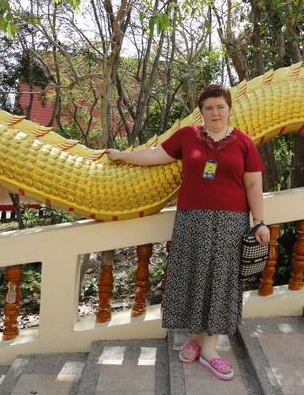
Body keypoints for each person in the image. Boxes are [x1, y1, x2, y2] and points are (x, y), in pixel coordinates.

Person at [107, 84, 270, 381]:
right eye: (209, 107)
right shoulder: (188, 136)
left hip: (230, 224)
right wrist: (122, 156)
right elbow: (155, 155)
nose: (215, 113)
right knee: (193, 276)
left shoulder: (243, 142)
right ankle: (195, 338)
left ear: (229, 109)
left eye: (220, 107)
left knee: (219, 281)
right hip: (191, 220)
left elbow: (253, 185)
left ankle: (210, 348)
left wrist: (259, 221)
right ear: (201, 111)